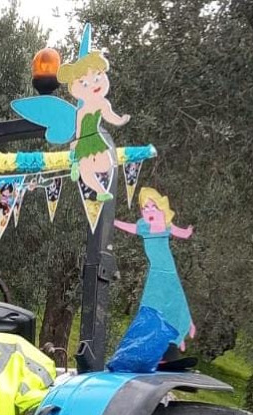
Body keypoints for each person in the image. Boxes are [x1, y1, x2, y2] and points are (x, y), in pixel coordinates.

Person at [114, 187, 196, 348]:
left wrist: (189, 231)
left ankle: (183, 332)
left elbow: (182, 233)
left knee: (176, 298)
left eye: (153, 206)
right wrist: (113, 222)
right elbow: (129, 227)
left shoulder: (166, 225)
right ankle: (151, 337)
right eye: (145, 208)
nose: (149, 211)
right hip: (156, 270)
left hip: (168, 268)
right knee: (151, 302)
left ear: (160, 207)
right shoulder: (143, 226)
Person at [57, 50, 128, 201]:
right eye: (83, 83)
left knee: (106, 164)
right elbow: (79, 128)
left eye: (97, 77)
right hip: (83, 140)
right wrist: (75, 143)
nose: (93, 85)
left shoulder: (101, 103)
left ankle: (82, 171)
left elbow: (109, 115)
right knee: (86, 170)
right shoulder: (81, 110)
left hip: (95, 138)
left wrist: (120, 120)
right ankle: (100, 191)